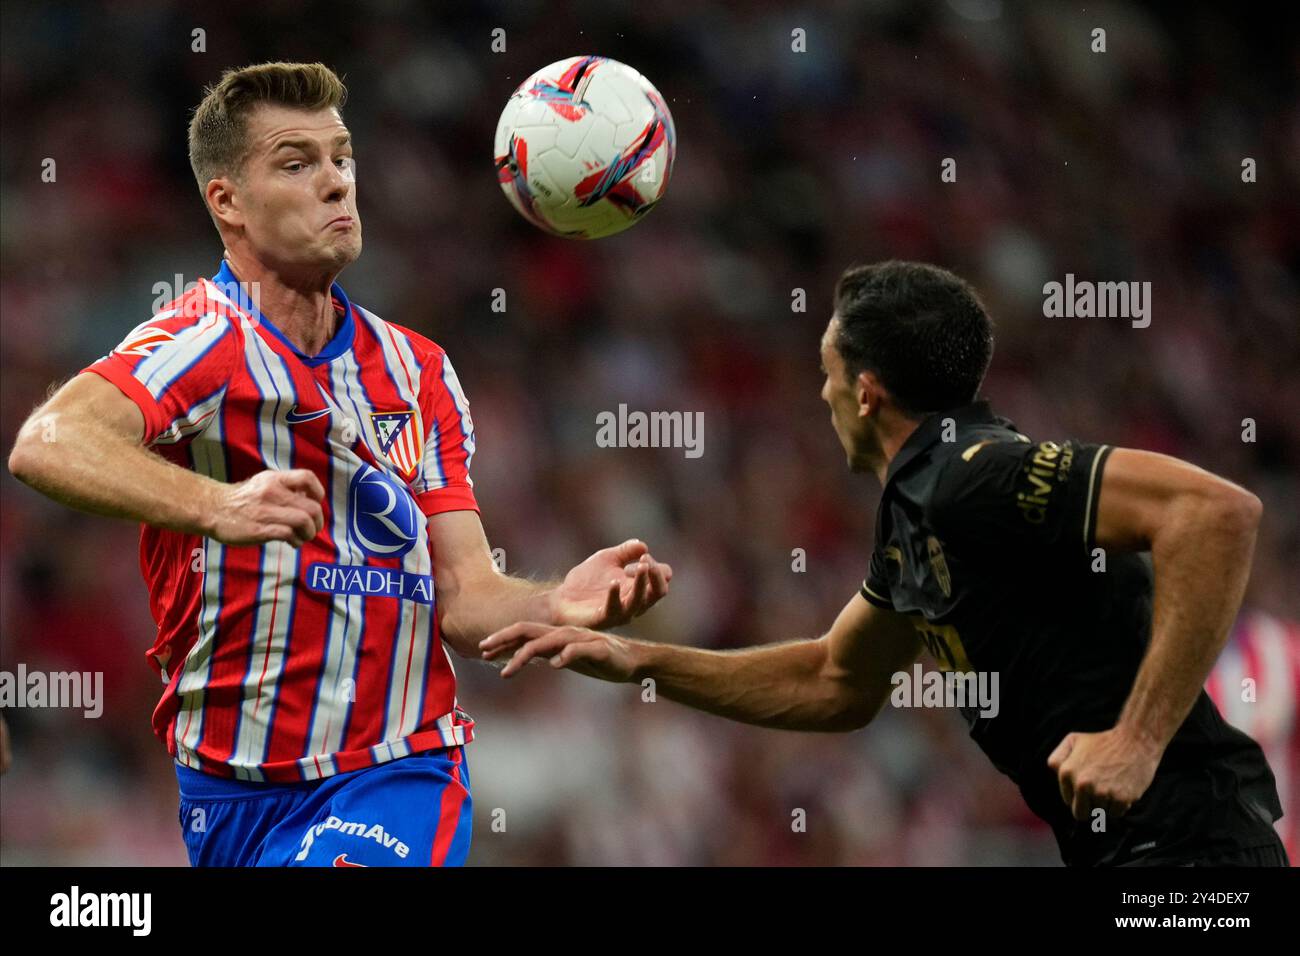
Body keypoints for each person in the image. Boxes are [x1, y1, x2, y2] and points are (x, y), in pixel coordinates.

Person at [5, 61, 671, 867]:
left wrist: (557, 602)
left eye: (341, 158)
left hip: (399, 772)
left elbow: (462, 596)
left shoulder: (418, 369)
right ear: (227, 203)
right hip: (226, 793)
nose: (335, 183)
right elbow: (47, 442)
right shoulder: (203, 341)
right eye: (296, 163)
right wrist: (216, 505)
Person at [483, 260, 1287, 867]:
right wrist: (634, 659)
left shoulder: (974, 474)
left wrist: (1136, 740)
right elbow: (834, 679)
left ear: (866, 391)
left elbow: (1214, 512)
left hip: (1192, 855)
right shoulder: (921, 512)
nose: (821, 394)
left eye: (827, 375)